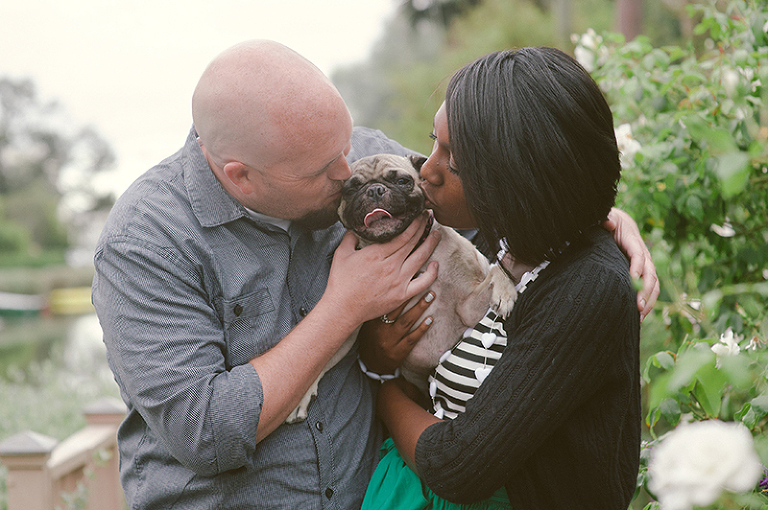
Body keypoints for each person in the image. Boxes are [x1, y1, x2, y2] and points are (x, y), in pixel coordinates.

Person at [91, 40, 656, 509]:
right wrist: (345, 307)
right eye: (325, 170)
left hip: (377, 493)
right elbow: (205, 433)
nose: (348, 172)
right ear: (242, 177)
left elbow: (486, 190)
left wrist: (594, 215)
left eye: (346, 146)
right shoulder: (146, 243)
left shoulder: (357, 157)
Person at [363, 47, 643, 510]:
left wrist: (383, 393)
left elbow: (457, 466)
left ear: (516, 176)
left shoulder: (586, 288)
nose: (426, 171)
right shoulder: (510, 244)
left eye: (453, 161)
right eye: (433, 142)